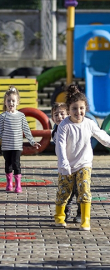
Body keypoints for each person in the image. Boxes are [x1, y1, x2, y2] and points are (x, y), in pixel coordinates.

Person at [54, 85, 110, 231]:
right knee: (64, 191)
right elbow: (60, 146)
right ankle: (59, 217)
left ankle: (85, 219)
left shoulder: (89, 124)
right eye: (74, 109)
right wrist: (64, 163)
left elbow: (102, 137)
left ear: (85, 108)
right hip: (67, 164)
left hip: (84, 163)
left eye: (81, 108)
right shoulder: (64, 126)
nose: (78, 112)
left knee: (84, 189)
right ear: (68, 109)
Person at [0, 86, 41, 193]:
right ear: (5, 102)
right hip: (6, 147)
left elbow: (26, 130)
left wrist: (32, 142)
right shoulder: (3, 116)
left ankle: (18, 185)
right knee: (8, 164)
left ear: (18, 102)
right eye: (8, 101)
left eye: (13, 101)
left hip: (17, 146)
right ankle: (9, 184)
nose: (11, 103)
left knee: (16, 164)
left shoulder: (21, 116)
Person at [51, 102, 80, 222]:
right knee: (65, 190)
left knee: (79, 190)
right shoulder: (56, 130)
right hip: (64, 166)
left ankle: (80, 213)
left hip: (77, 163)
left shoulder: (72, 126)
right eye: (56, 115)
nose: (59, 117)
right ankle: (66, 211)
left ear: (68, 114)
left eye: (62, 114)